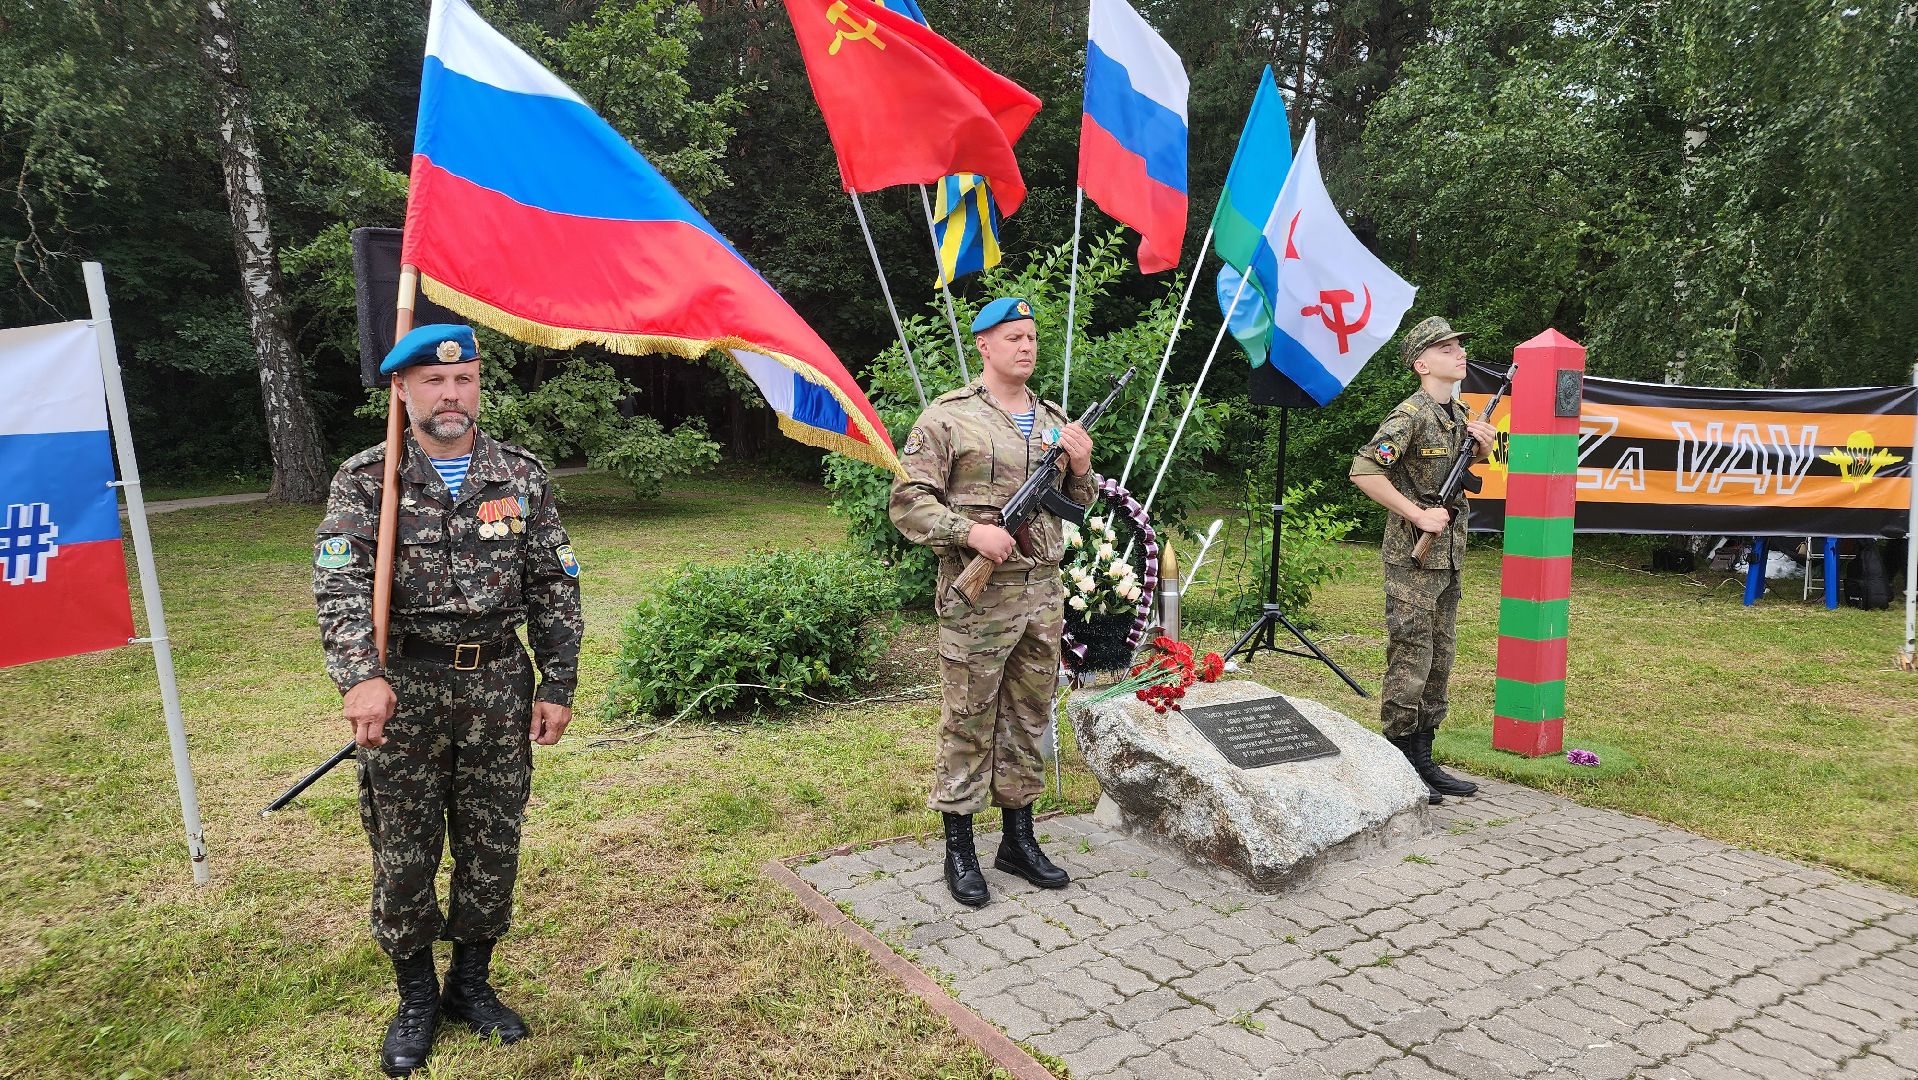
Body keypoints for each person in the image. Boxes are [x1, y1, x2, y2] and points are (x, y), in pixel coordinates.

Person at [313, 324, 583, 1076]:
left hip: (499, 684)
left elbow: (555, 585)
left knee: (492, 840)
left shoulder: (520, 476)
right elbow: (337, 585)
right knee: (404, 847)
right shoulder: (369, 479)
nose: (451, 394)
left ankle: (471, 984)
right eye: (433, 382)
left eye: (463, 381)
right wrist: (360, 675)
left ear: (477, 387)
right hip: (407, 687)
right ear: (402, 390)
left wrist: (557, 683)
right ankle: (416, 997)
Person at [889, 296, 1095, 907]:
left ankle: (1018, 839)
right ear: (984, 345)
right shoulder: (948, 419)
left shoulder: (1055, 419)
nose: (1027, 347)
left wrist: (1080, 465)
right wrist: (969, 532)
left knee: (1029, 717)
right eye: (1013, 338)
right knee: (969, 719)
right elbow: (908, 501)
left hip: (1042, 592)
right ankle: (960, 845)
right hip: (979, 598)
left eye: (1032, 337)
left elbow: (1076, 500)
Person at [1348, 316, 1496, 804]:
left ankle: (1424, 759)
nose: (1459, 353)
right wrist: (1417, 513)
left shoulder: (1458, 414)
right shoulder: (1409, 415)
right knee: (1410, 656)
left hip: (1448, 557)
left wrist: (1480, 450)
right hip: (1413, 559)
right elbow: (1364, 470)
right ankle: (1398, 761)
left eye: (1459, 345)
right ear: (1421, 363)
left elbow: (1449, 476)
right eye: (1446, 347)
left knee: (1440, 658)